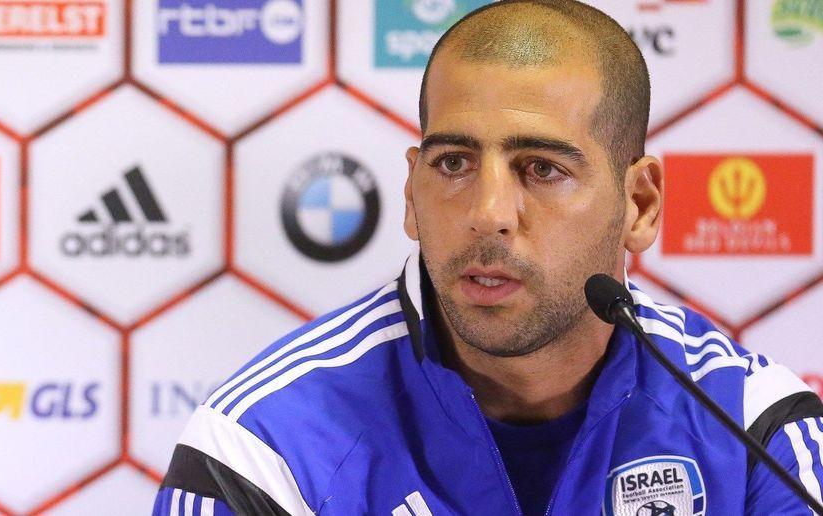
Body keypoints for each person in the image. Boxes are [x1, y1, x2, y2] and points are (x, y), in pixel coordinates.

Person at [152, 1, 823, 514]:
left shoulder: (753, 428)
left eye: (541, 168)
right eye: (453, 163)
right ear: (412, 195)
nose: (488, 212)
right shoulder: (265, 445)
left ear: (640, 204)